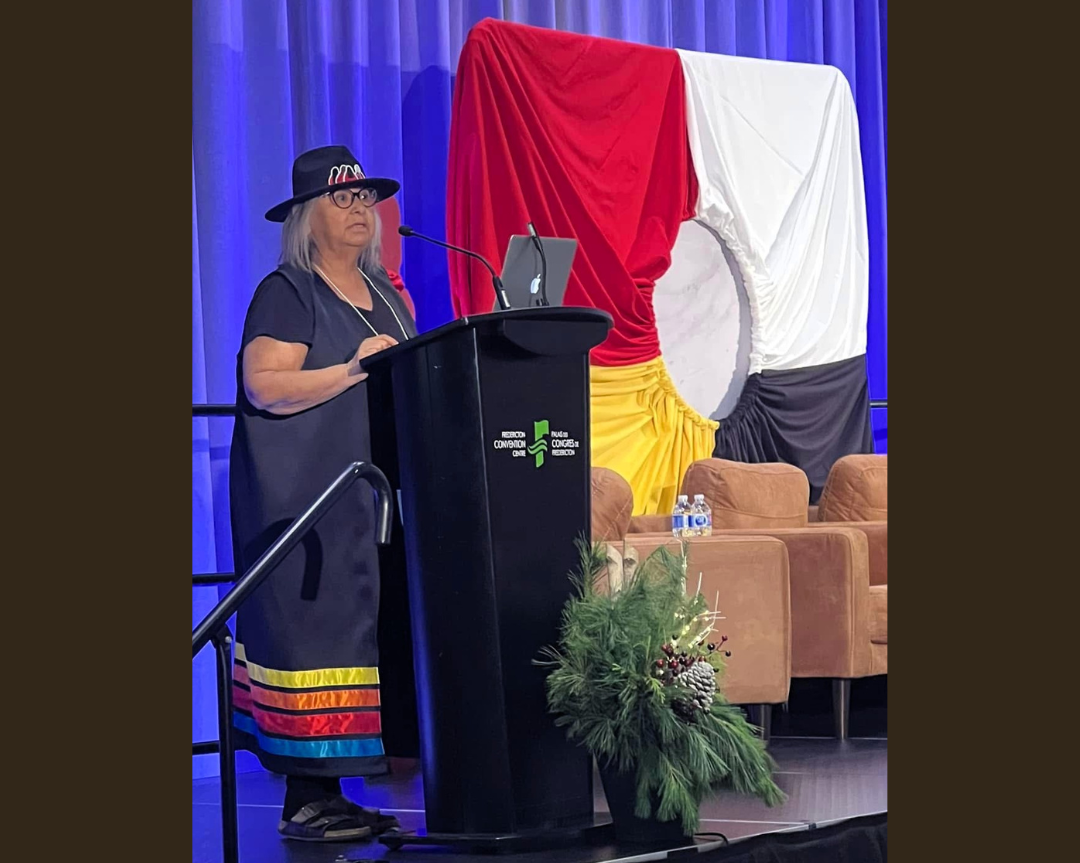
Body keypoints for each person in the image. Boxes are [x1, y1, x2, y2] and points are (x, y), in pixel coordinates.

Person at [229, 145, 418, 843]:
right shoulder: (289, 291)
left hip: (378, 504)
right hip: (311, 504)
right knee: (318, 638)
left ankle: (335, 791)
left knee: (367, 634)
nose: (359, 210)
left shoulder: (392, 298)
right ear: (307, 218)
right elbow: (264, 384)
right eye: (342, 200)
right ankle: (306, 797)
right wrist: (346, 370)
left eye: (366, 198)